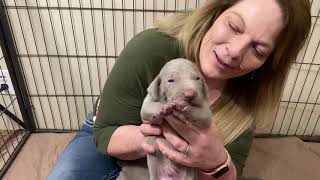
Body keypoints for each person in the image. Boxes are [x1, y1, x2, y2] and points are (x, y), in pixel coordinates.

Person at [48, 0, 311, 180]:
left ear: (267, 64)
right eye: (233, 26)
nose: (233, 52)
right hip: (119, 131)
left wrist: (216, 162)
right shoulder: (151, 48)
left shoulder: (246, 99)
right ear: (216, 12)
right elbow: (105, 134)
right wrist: (154, 137)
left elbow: (229, 173)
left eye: (258, 50)